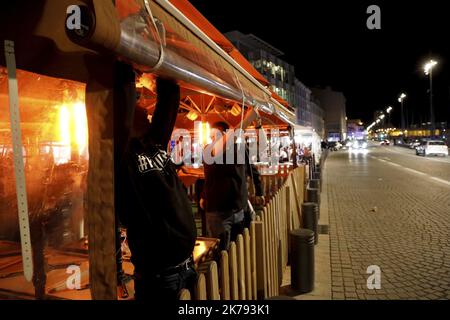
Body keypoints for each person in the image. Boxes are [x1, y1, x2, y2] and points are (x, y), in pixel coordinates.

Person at [118, 76, 197, 301]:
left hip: (186, 268)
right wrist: (128, 69)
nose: (145, 109)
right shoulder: (122, 155)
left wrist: (154, 74)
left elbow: (170, 100)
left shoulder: (154, 142)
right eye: (138, 105)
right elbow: (121, 96)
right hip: (160, 279)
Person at [200, 121, 263, 251]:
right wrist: (203, 195)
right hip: (218, 212)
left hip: (237, 209)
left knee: (238, 248)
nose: (214, 139)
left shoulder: (240, 149)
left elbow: (253, 170)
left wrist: (259, 191)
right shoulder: (208, 150)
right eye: (212, 136)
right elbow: (210, 177)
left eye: (217, 135)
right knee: (220, 253)